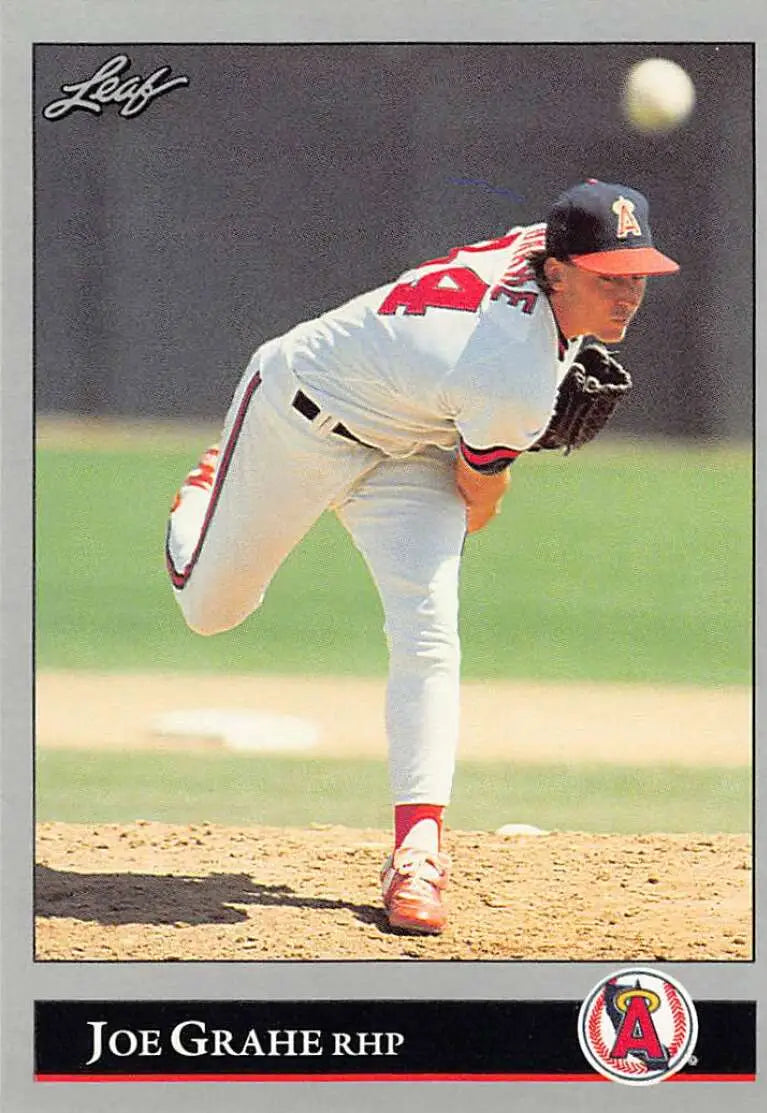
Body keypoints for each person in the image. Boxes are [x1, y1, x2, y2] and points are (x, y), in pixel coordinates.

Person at [165, 179, 679, 935]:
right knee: (211, 610)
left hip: (414, 442)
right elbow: (480, 503)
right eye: (610, 276)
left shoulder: (540, 251)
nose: (628, 292)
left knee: (430, 628)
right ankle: (210, 485)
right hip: (300, 415)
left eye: (637, 272)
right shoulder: (514, 376)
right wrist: (510, 438)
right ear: (558, 270)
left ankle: (418, 853)